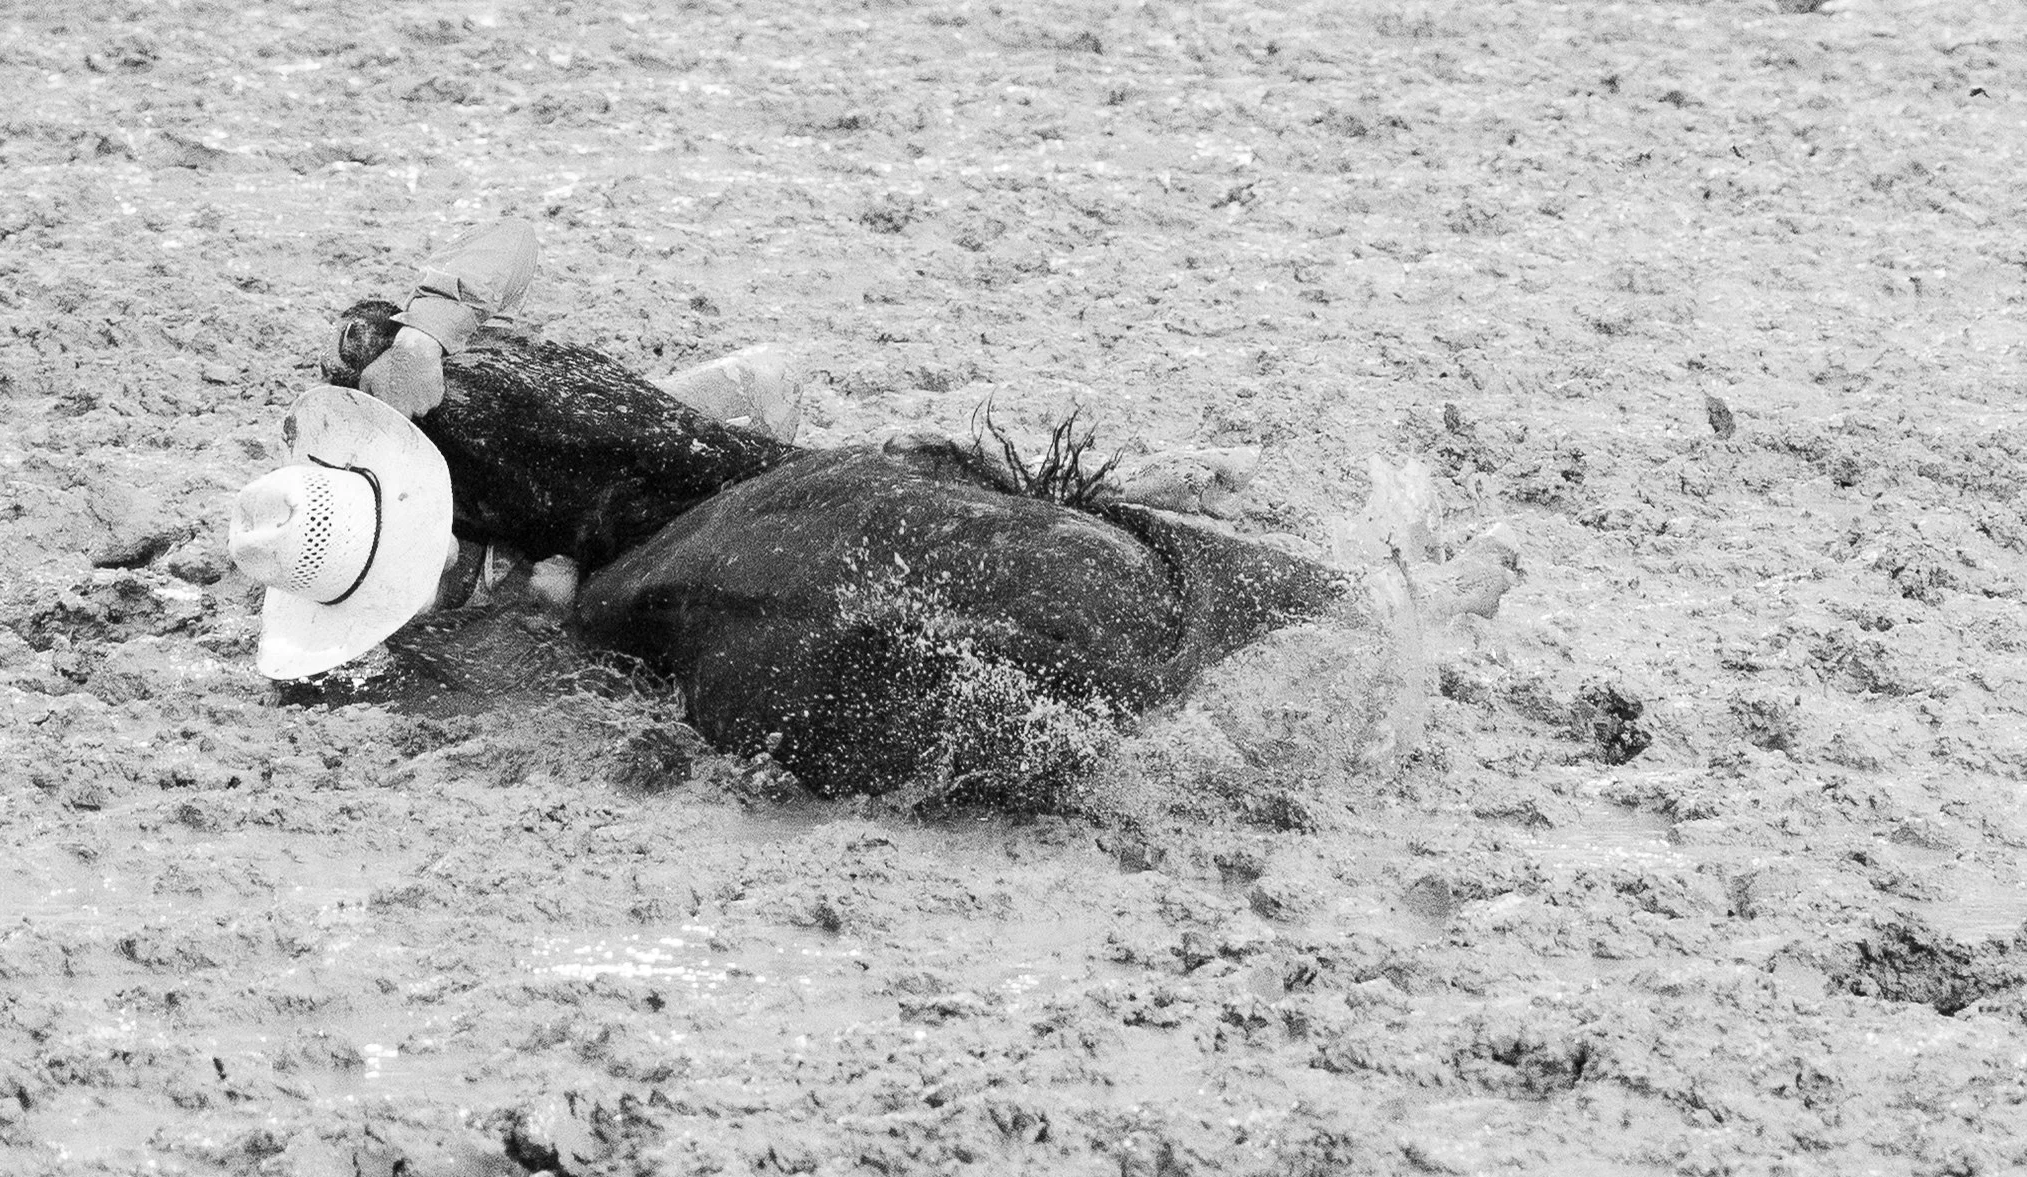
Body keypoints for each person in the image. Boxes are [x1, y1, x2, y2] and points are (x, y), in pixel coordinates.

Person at [229, 222, 1485, 799]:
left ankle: (1332, 624)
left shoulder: (539, 573)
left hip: (786, 595)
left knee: (1058, 645)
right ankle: (1365, 608)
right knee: (1099, 590)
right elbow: (501, 258)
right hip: (810, 527)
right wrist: (421, 323)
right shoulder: (556, 475)